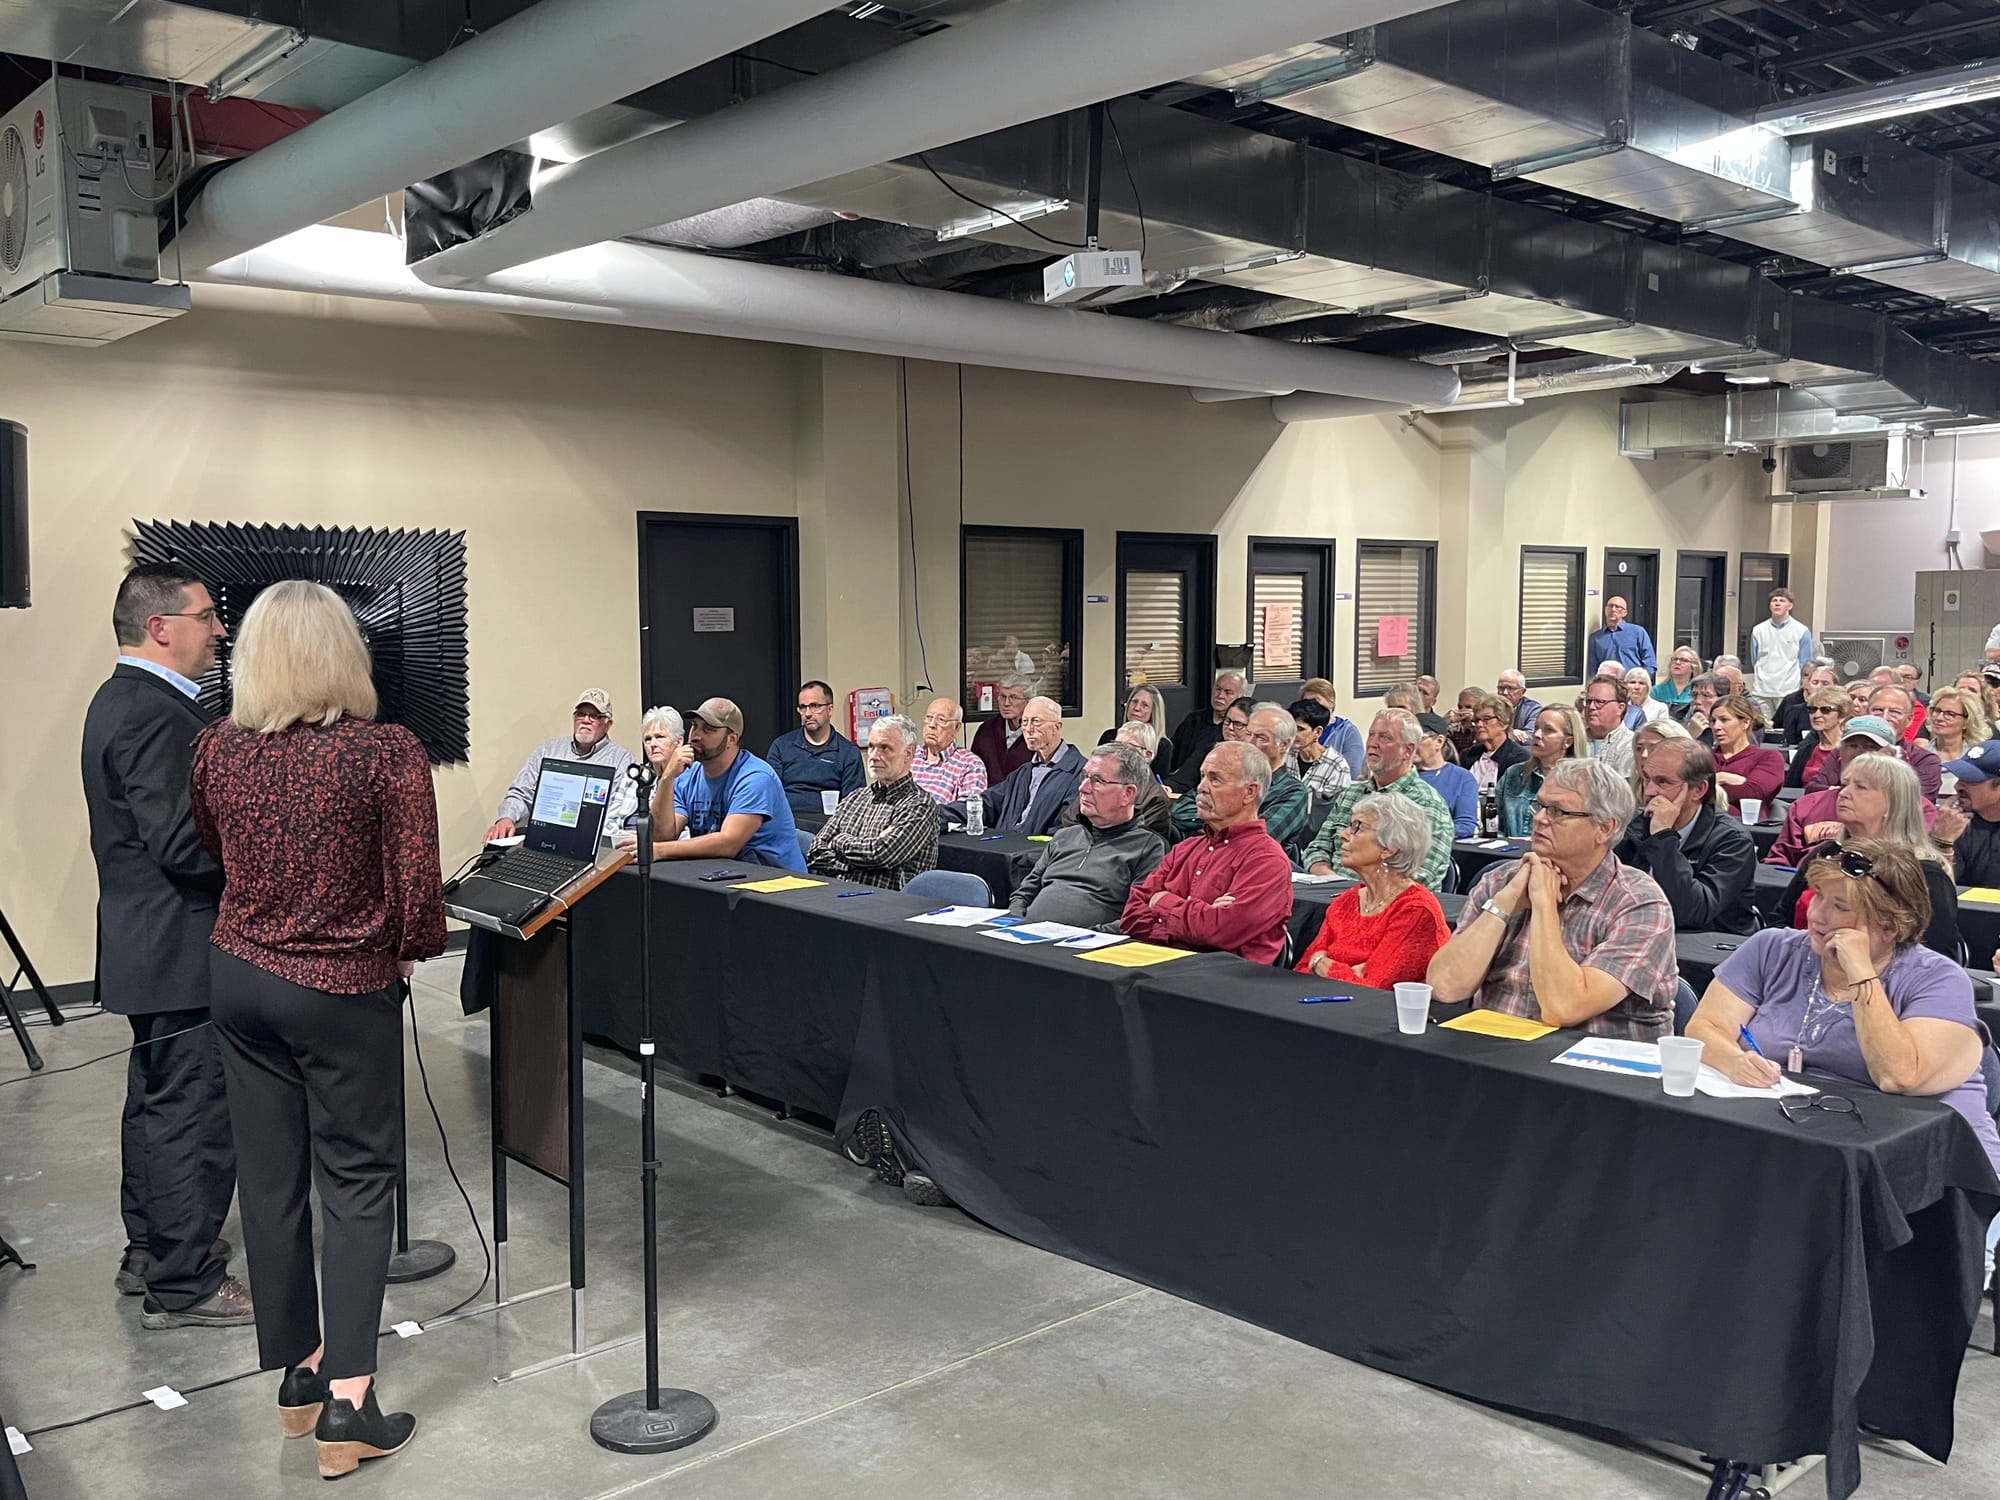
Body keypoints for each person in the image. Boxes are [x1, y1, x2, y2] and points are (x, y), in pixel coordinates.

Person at [189, 581, 446, 1475]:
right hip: (340, 988)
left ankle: (297, 1375)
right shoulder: (386, 751)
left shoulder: (218, 748)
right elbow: (417, 886)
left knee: (268, 1180)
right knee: (359, 1179)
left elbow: (216, 853)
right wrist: (406, 953)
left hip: (239, 977)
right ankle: (349, 1404)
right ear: (347, 655)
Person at [80, 563, 244, 1327]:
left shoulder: (119, 700)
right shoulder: (154, 714)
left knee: (154, 1103)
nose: (219, 630)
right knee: (192, 1112)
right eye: (207, 615)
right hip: (180, 948)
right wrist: (263, 855)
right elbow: (183, 845)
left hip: (146, 947)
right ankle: (187, 1284)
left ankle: (149, 1250)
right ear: (160, 627)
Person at [1687, 839, 2000, 1192]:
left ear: (1889, 926)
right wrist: (1733, 1062)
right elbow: (1704, 1027)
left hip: (1931, 1173)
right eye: (1818, 895)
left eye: (1839, 906)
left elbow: (1898, 1075)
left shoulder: (1938, 980)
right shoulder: (1772, 949)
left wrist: (1861, 973)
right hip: (1811, 1152)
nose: (1817, 915)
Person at [1427, 758, 1678, 1040]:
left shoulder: (1639, 903)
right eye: (1540, 805)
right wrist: (1504, 904)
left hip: (1589, 1070)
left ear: (1604, 828)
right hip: (1494, 1055)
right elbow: (1444, 987)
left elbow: (1563, 1007)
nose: (1539, 818)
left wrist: (1544, 904)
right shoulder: (1501, 882)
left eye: (1558, 811)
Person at [1120, 742, 1293, 964]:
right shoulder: (1185, 849)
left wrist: (1162, 903)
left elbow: (1219, 932)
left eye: (1215, 779)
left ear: (1250, 792)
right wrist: (1197, 921)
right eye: (1202, 776)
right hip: (1163, 966)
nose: (1201, 787)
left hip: (1225, 982)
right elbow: (1132, 915)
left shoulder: (1266, 860)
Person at [1773, 753, 1960, 956]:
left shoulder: (1925, 873)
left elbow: (1937, 956)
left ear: (1893, 803)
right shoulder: (1828, 853)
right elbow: (1780, 918)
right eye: (1844, 784)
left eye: (1860, 787)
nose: (1843, 793)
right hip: (1804, 964)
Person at [1295, 794, 1450, 988]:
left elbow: (1374, 987)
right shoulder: (1347, 901)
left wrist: (1324, 965)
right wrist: (1345, 972)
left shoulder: (1416, 911)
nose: (1343, 834)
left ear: (1390, 848)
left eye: (1357, 827)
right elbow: (1303, 969)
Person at [1011, 742, 1166, 926]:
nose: (1083, 788)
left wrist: (1087, 937)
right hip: (1024, 938)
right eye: (1084, 777)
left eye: (1097, 781)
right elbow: (1024, 894)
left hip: (1086, 945)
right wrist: (1015, 921)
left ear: (1128, 794)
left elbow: (1137, 917)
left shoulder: (1148, 847)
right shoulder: (1065, 836)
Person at [1615, 740, 1759, 934]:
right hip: (1642, 933)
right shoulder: (1637, 826)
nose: (1648, 791)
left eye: (1663, 782)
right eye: (1646, 779)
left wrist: (1663, 837)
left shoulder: (1732, 840)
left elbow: (1693, 912)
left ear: (1698, 790)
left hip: (1708, 948)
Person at [1302, 710, 1456, 891]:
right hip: (1331, 893)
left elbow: (1419, 875)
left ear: (1407, 750)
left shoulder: (1426, 804)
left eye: (1385, 737)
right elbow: (1317, 849)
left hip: (1394, 908)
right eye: (1371, 735)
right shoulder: (1351, 794)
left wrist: (1353, 891)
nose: (1373, 744)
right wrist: (1330, 879)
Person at [645, 698, 804, 870]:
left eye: (708, 729)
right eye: (695, 726)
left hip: (777, 881)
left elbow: (728, 843)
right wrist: (667, 778)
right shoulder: (687, 775)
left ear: (731, 739)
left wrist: (660, 850)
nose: (695, 736)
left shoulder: (756, 776)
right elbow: (661, 836)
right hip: (724, 875)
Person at [1766, 718, 1938, 867]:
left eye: (1871, 747)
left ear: (1891, 754)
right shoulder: (1806, 806)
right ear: (1839, 753)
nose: (1860, 753)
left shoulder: (1916, 806)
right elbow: (1778, 861)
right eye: (1852, 745)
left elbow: (1914, 860)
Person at [804, 715, 939, 890]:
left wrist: (838, 841)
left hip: (886, 907)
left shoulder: (919, 805)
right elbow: (815, 852)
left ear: (908, 753)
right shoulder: (855, 798)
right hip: (837, 897)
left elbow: (880, 855)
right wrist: (861, 860)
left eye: (885, 748)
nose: (874, 756)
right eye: (871, 747)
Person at [485, 689, 636, 842]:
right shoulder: (548, 750)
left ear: (608, 724)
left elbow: (614, 814)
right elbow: (521, 792)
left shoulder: (621, 759)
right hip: (543, 835)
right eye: (581, 714)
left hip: (589, 841)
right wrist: (506, 818)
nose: (585, 720)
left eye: (594, 716)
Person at [1170, 703, 1307, 858]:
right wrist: (1219, 821)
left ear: (1284, 745)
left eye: (1261, 737)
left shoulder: (1293, 792)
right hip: (1206, 858)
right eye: (1248, 734)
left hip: (1256, 868)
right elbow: (1179, 811)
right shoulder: (1230, 773)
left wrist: (1212, 820)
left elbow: (1256, 838)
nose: (1250, 742)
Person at [954, 696, 1085, 837]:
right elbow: (986, 803)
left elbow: (1067, 828)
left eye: (1036, 722)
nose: (1028, 729)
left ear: (1056, 727)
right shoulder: (1023, 773)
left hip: (1037, 853)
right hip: (1004, 847)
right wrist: (938, 814)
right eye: (1024, 722)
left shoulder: (1079, 772)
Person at [1805, 686, 1942, 800]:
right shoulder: (1846, 749)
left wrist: (1839, 792)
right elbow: (1813, 789)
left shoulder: (1924, 760)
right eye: (1878, 710)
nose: (1885, 717)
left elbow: (1918, 803)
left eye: (1894, 712)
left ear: (1910, 719)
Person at [766, 679, 865, 819]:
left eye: (814, 706)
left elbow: (854, 806)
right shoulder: (781, 746)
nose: (807, 713)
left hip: (829, 828)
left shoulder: (848, 753)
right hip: (788, 824)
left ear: (830, 710)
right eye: (803, 707)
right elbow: (769, 794)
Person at [1061, 722, 1171, 838]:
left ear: (1147, 755)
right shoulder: (1092, 782)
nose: (1118, 753)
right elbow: (1069, 820)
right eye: (1116, 745)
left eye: (1127, 748)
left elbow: (1142, 841)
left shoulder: (1155, 798)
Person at [1495, 705, 1589, 836]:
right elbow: (1496, 825)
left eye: (1548, 730)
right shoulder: (1514, 774)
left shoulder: (1583, 781)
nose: (1537, 735)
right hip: (1512, 853)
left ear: (1568, 741)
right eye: (1536, 728)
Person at [1166, 668, 1248, 782]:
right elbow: (1172, 752)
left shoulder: (1233, 732)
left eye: (1228, 692)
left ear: (1240, 698)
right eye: (1217, 689)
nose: (1220, 695)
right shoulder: (1194, 720)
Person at [1708, 695, 1785, 814]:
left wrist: (1711, 784)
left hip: (1749, 827)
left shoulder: (1769, 758)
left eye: (1724, 720)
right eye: (1713, 721)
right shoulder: (1704, 758)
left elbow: (1753, 793)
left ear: (1745, 723)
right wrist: (1725, 778)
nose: (1716, 727)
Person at [1938, 739, 2000, 887]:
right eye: (1960, 778)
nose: (1957, 786)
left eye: (1972, 780)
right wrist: (1943, 842)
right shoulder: (1955, 825)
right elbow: (1940, 892)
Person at [622, 706, 691, 835]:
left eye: (660, 737)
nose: (653, 744)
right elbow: (610, 821)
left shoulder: (689, 779)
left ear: (678, 742)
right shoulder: (634, 774)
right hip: (621, 844)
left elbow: (681, 833)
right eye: (648, 739)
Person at [1748, 588, 1815, 718]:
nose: (1777, 603)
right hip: (1762, 690)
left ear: (1790, 605)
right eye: (1774, 600)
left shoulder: (1801, 631)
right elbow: (1754, 659)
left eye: (1782, 601)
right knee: (1763, 727)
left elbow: (1805, 664)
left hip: (1788, 691)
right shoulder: (1758, 630)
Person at [909, 697, 988, 805]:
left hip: (940, 820)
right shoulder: (909, 755)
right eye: (929, 717)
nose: (931, 725)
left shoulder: (970, 764)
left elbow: (966, 811)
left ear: (956, 727)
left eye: (941, 720)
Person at [969, 676, 1035, 786]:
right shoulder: (986, 730)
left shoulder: (1036, 733)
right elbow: (972, 769)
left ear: (1028, 701)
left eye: (1013, 697)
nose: (1006, 703)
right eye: (1003, 696)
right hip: (989, 797)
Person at [1287, 699, 1354, 807]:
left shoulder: (1337, 767)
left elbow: (1337, 810)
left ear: (1317, 732)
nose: (1294, 733)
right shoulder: (1286, 755)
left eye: (1300, 729)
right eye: (1292, 728)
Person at [1414, 724, 1478, 838]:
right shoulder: (1399, 776)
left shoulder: (1461, 778)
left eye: (1418, 739)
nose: (1411, 745)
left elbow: (1465, 826)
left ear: (1439, 741)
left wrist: (1421, 833)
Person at [1101, 683, 1173, 778]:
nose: (1137, 708)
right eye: (1134, 702)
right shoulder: (1109, 736)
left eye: (1145, 705)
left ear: (1153, 712)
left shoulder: (1162, 745)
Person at [1785, 687, 1851, 790]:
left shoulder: (1850, 749)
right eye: (1812, 709)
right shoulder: (1807, 748)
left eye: (1826, 710)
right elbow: (1790, 786)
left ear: (1842, 716)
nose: (1816, 715)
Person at [1464, 693, 1528, 796]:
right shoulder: (1467, 755)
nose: (1479, 725)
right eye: (1476, 720)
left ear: (1504, 722)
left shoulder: (1519, 759)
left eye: (1486, 719)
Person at [1301, 676, 1366, 777]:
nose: (1311, 706)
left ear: (1330, 702)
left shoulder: (1348, 732)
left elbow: (1353, 771)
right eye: (1306, 702)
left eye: (1316, 701)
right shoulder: (1299, 730)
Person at [1586, 595, 1656, 675]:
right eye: (1610, 606)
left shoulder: (1638, 632)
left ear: (1624, 613)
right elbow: (1593, 669)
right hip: (1608, 684)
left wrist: (1640, 681)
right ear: (1605, 610)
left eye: (1618, 607)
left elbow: (1650, 662)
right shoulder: (1595, 638)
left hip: (1631, 683)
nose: (1613, 609)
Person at [1580, 678, 1635, 777]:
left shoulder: (1631, 745)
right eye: (1588, 701)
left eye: (1599, 702)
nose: (1591, 707)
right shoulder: (1576, 739)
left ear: (1620, 708)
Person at [1924, 685, 1989, 769]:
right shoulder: (1920, 757)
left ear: (1966, 722)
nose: (1939, 718)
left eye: (1950, 714)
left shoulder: (1979, 756)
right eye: (1937, 711)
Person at [1775, 661, 1840, 742]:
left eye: (1825, 683)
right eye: (1815, 682)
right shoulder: (1794, 712)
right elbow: (1788, 744)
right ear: (1808, 685)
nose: (1819, 687)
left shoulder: (1842, 711)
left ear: (1835, 687)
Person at [1496, 669, 1542, 744]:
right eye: (1501, 688)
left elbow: (1530, 737)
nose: (1504, 692)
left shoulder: (1533, 709)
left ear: (1522, 692)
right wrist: (1510, 733)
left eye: (1510, 688)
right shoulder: (1492, 707)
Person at [1676, 671, 1725, 740]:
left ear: (1722, 699)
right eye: (1694, 695)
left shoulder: (1730, 726)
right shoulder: (1677, 719)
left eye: (1705, 695)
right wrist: (1690, 734)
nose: (1697, 701)